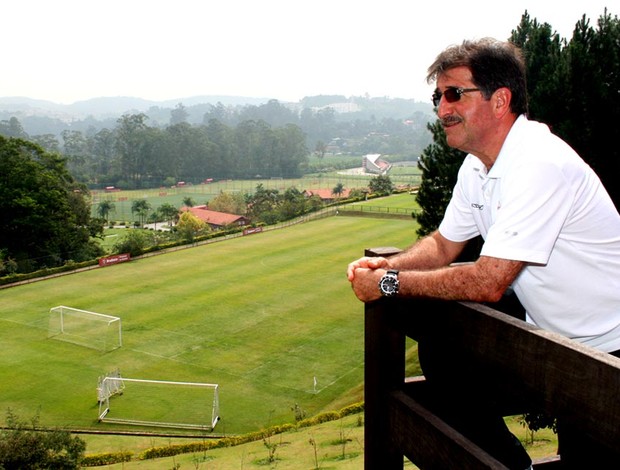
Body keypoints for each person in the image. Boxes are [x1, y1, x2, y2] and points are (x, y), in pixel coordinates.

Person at [347, 37, 620, 469]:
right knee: (445, 350)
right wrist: (388, 264)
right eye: (438, 97)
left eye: (455, 93)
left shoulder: (538, 163)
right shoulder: (478, 166)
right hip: (565, 344)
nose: (441, 109)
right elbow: (442, 245)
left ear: (500, 100)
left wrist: (386, 283)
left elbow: (489, 281)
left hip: (610, 349)